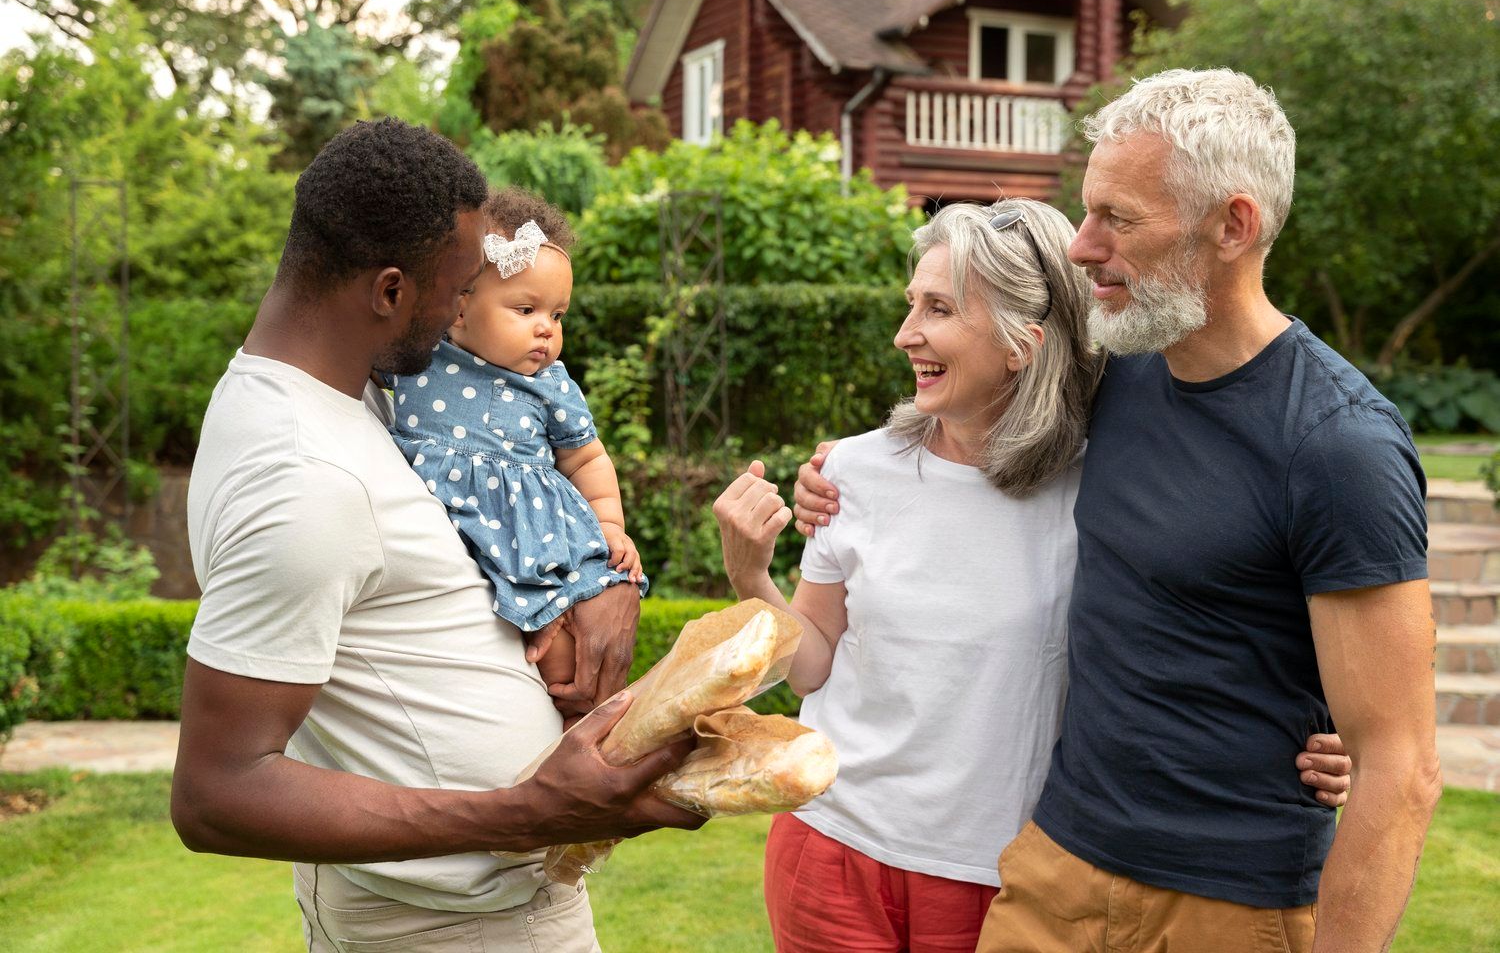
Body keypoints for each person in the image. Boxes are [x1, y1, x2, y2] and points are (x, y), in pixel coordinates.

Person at [795, 69, 1438, 953]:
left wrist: (1338, 752)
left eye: (1117, 220)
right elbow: (979, 407)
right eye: (1087, 211)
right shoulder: (1116, 374)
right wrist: (842, 474)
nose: (1083, 246)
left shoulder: (1339, 446)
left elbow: (1399, 768)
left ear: (1233, 225)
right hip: (1054, 869)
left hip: (1228, 901)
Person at [716, 198, 1349, 953]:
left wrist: (1315, 735)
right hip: (830, 844)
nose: (905, 334)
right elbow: (813, 662)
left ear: (1025, 343)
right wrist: (751, 574)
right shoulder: (854, 469)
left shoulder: (1104, 486)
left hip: (1001, 872)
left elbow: (1214, 617)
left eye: (940, 309)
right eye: (911, 303)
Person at [173, 119, 701, 953]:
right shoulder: (303, 474)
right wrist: (526, 812)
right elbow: (216, 793)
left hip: (498, 907)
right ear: (389, 291)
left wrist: (597, 580)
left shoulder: (356, 400)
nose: (467, 317)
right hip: (443, 930)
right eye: (459, 290)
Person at [382, 187, 645, 701]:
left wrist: (610, 525)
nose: (547, 328)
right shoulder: (416, 362)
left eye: (558, 315)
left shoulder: (550, 383)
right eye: (526, 309)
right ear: (458, 309)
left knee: (569, 663)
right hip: (453, 545)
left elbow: (586, 456)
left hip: (540, 544)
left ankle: (584, 730)